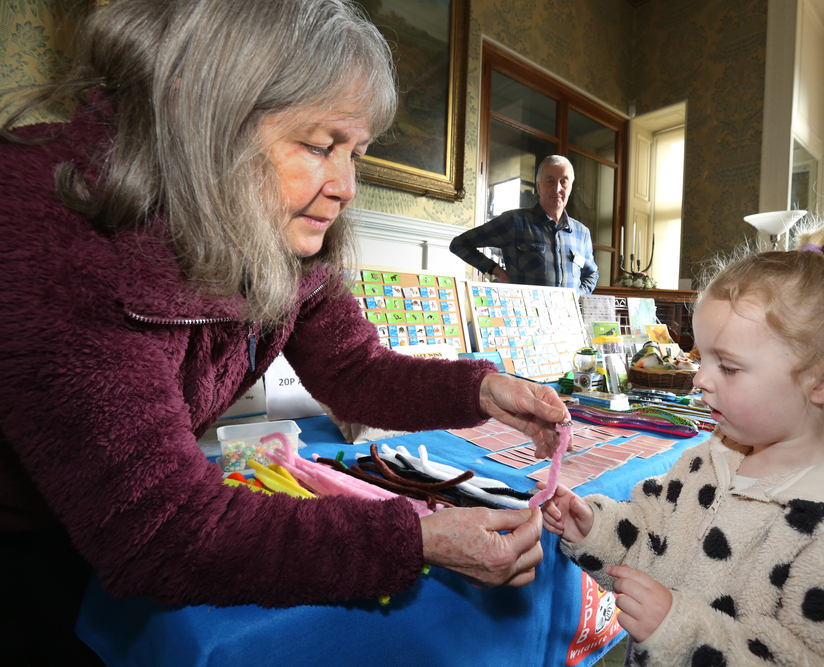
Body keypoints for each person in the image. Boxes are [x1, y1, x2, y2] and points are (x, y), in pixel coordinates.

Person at [0, 0, 570, 664]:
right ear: (205, 113)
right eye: (321, 145)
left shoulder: (271, 218)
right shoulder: (49, 226)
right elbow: (163, 532)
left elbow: (355, 372)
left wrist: (483, 389)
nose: (348, 185)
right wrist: (416, 541)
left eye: (354, 152)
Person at [539, 210, 824, 666]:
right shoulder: (710, 458)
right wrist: (597, 529)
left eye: (729, 367)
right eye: (702, 358)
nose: (700, 380)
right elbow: (655, 537)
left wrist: (682, 633)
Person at [449, 155, 599, 295]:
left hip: (566, 321)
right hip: (526, 319)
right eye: (550, 181)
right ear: (539, 186)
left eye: (563, 181)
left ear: (570, 188)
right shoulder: (514, 221)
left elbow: (591, 274)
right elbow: (460, 244)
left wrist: (578, 296)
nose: (557, 188)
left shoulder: (582, 233)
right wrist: (497, 272)